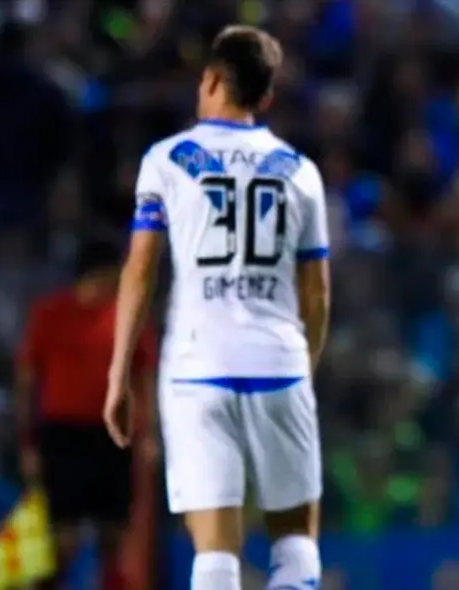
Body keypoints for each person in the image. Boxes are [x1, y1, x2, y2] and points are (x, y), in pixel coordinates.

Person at [103, 25, 331, 590]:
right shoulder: (300, 171)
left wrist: (118, 376)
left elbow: (140, 271)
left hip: (197, 369)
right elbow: (317, 291)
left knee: (214, 549)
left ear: (210, 80)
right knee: (295, 540)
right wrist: (306, 365)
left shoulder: (165, 161)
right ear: (266, 97)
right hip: (278, 362)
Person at [15, 240, 157, 590]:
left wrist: (149, 434)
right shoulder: (51, 313)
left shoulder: (129, 313)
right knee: (63, 537)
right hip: (64, 436)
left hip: (113, 435)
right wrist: (28, 441)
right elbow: (27, 380)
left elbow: (146, 377)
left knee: (115, 535)